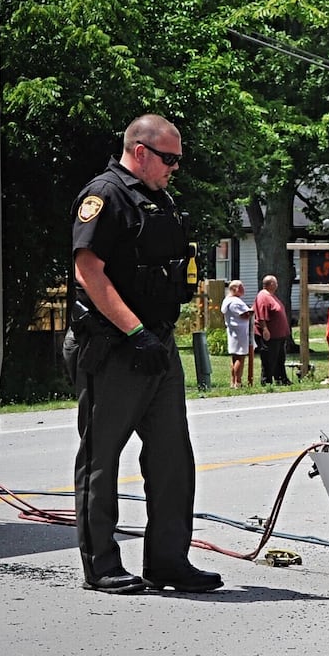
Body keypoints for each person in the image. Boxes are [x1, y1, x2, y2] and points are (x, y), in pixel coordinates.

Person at [63, 113, 223, 594]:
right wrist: (134, 332)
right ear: (140, 151)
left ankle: (168, 560)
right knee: (101, 458)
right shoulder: (105, 196)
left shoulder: (159, 199)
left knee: (173, 457)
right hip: (114, 346)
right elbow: (88, 272)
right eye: (169, 158)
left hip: (157, 344)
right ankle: (102, 566)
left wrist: (154, 335)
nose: (175, 168)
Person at [253, 274, 292, 385]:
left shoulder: (271, 295)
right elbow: (261, 315)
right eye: (275, 283)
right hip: (270, 335)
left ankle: (281, 379)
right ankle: (267, 381)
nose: (277, 285)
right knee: (269, 359)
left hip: (279, 335)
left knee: (279, 358)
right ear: (270, 284)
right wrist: (265, 329)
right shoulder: (263, 296)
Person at [220, 279, 254, 388]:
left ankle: (233, 381)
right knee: (240, 356)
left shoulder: (227, 300)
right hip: (240, 332)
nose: (243, 289)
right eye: (241, 287)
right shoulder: (235, 302)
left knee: (234, 357)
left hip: (233, 330)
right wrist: (253, 310)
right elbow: (244, 315)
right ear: (235, 289)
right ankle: (238, 382)